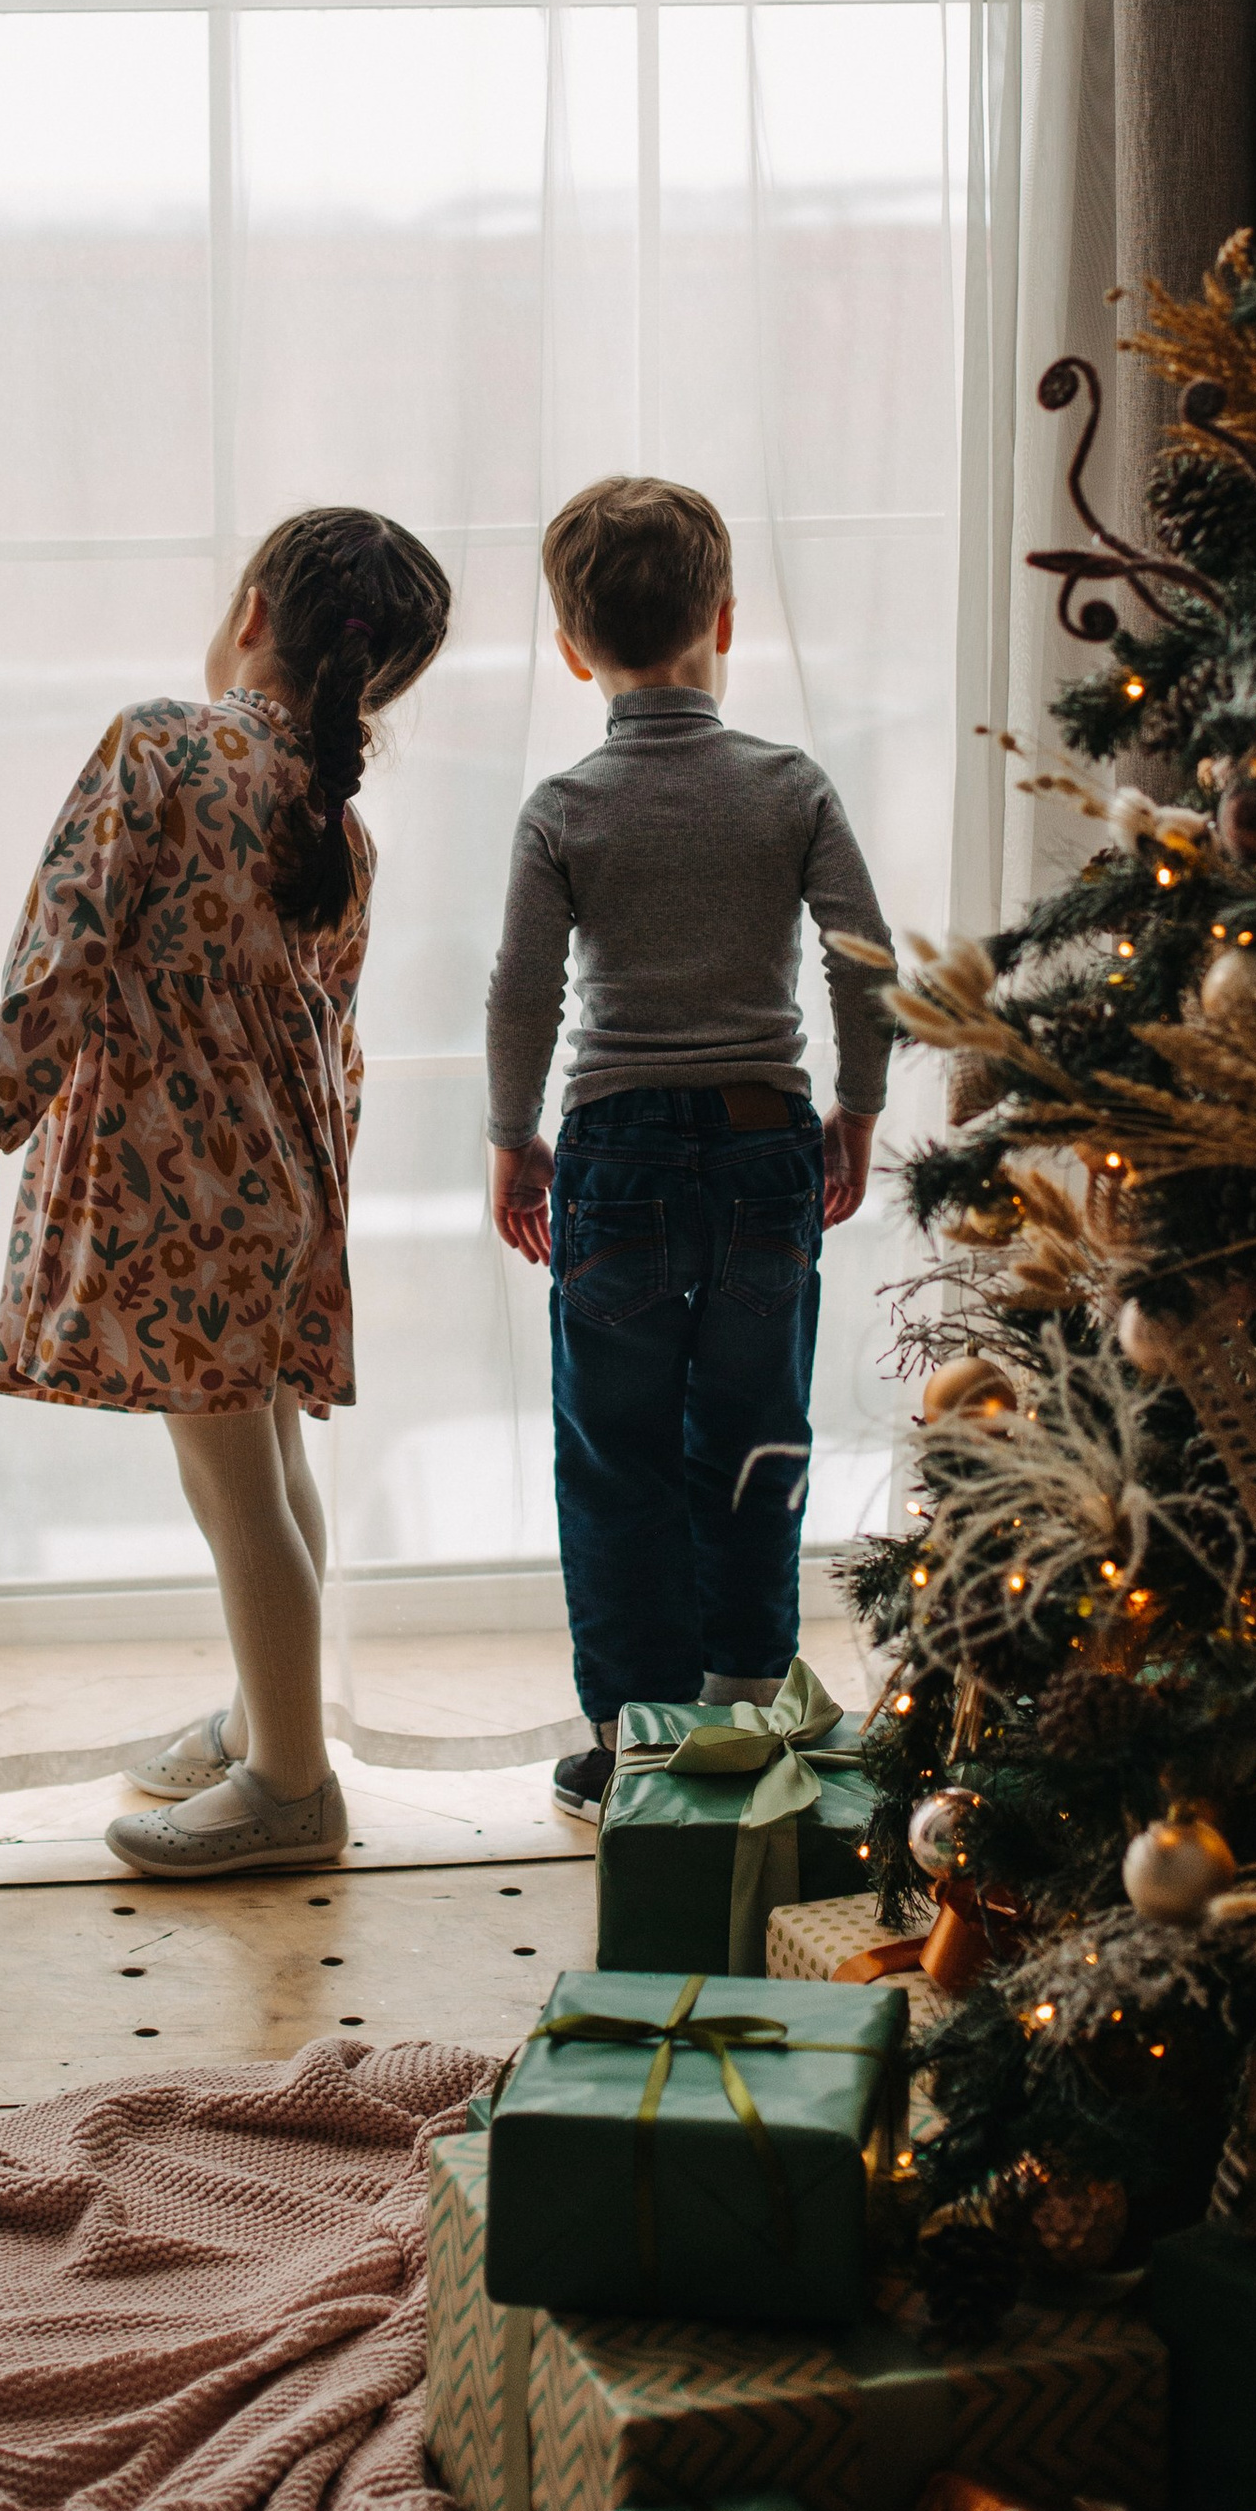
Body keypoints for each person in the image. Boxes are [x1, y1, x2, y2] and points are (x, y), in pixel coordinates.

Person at [0, 508, 451, 1878]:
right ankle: (265, 1718)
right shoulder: (343, 832)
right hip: (282, 1191)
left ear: (255, 615)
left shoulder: (159, 747)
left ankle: (290, 1785)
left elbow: (67, 944)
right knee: (267, 1464)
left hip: (185, 1188)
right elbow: (336, 1045)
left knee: (230, 1483)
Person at [484, 477, 893, 1823]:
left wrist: (511, 1139)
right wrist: (858, 1110)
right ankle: (746, 1715)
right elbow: (863, 966)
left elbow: (523, 993)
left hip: (617, 1159)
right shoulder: (789, 786)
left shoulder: (565, 809)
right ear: (727, 621)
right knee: (756, 1433)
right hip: (766, 1142)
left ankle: (631, 1748)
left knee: (616, 1452)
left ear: (571, 646)